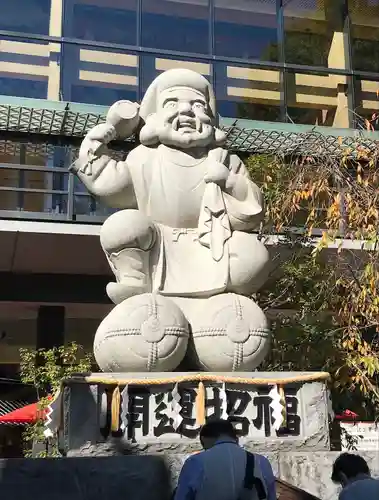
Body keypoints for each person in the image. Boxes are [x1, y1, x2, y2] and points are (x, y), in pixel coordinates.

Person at [173, 419, 276, 500]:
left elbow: (182, 497)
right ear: (235, 438)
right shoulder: (260, 461)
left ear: (204, 439)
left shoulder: (195, 462)